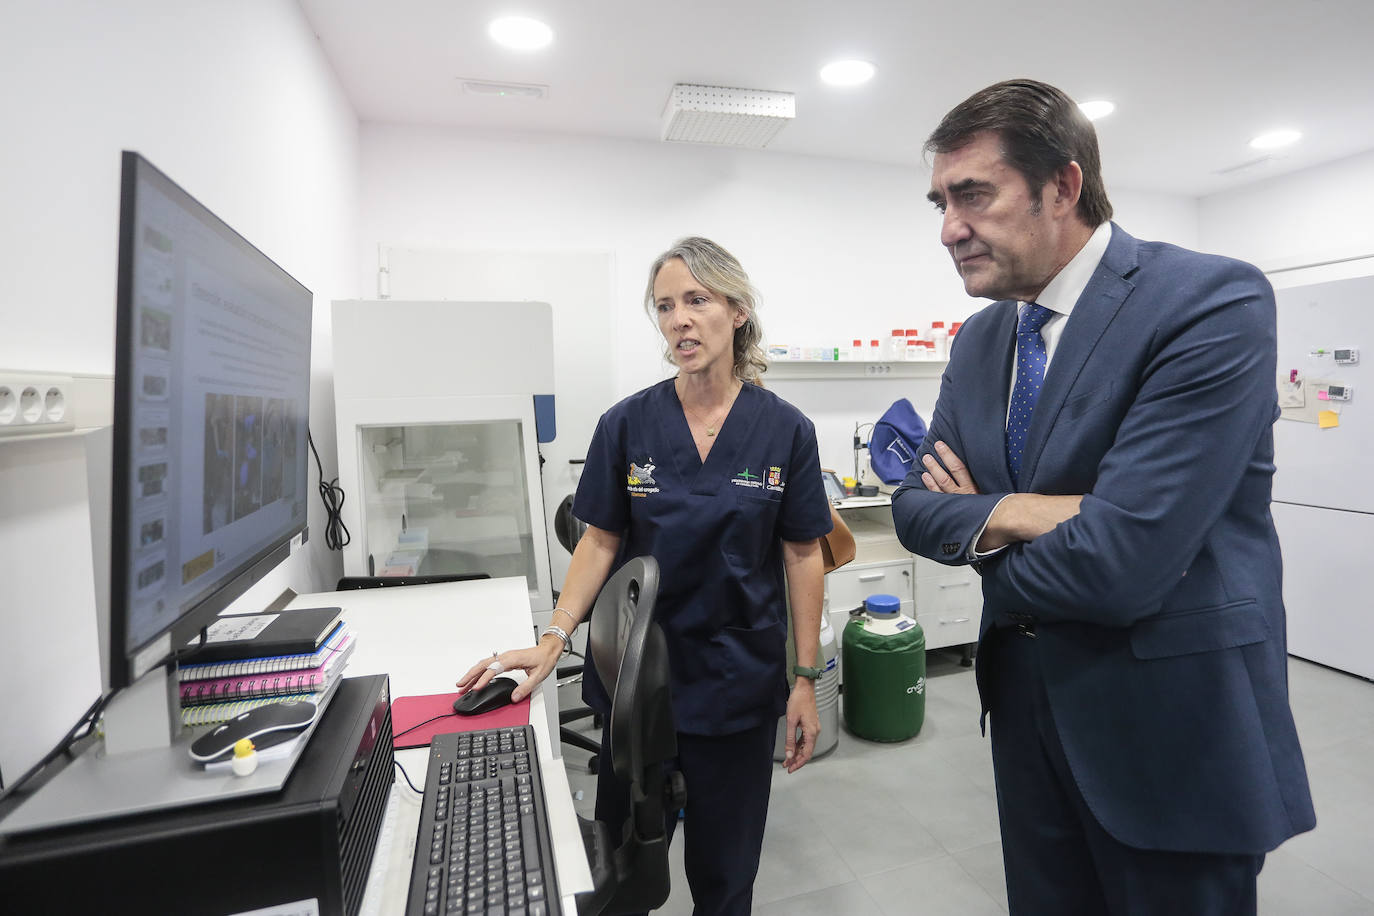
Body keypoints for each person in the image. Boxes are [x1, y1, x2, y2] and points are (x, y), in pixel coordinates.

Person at [890, 79, 1315, 914]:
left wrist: (982, 534)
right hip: (1026, 726)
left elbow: (1121, 564)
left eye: (973, 194)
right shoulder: (981, 341)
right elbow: (913, 506)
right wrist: (1027, 512)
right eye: (939, 201)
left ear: (1063, 185)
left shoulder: (1207, 301)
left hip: (1173, 738)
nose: (949, 229)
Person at [458, 236, 832, 914]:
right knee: (624, 876)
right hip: (635, 682)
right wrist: (553, 637)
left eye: (697, 300)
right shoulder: (627, 425)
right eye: (665, 306)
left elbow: (805, 555)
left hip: (735, 686)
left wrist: (805, 677)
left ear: (738, 310)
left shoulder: (786, 432)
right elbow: (598, 539)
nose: (679, 320)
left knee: (724, 881)